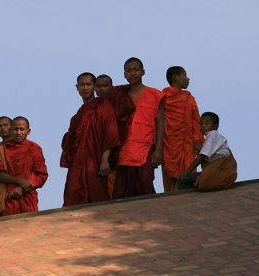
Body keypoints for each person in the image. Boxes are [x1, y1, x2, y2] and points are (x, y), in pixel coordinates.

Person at [60, 73, 120, 206]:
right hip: (78, 163)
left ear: (94, 87)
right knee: (73, 192)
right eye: (82, 85)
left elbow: (111, 133)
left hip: (96, 160)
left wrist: (105, 159)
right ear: (77, 87)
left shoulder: (103, 105)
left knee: (98, 195)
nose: (85, 88)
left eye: (88, 84)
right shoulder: (78, 115)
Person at [110, 57, 165, 199]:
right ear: (124, 74)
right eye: (129, 71)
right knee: (122, 190)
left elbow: (161, 122)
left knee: (145, 181)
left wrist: (159, 150)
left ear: (143, 72)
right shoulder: (121, 96)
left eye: (136, 70)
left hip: (146, 146)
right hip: (125, 148)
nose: (132, 73)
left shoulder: (155, 94)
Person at [0, 116, 48, 216]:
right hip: (7, 198)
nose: (19, 132)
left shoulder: (34, 148)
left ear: (28, 131)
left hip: (28, 197)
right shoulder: (1, 150)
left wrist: (21, 188)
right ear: (11, 130)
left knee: (29, 227)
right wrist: (19, 181)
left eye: (22, 129)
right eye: (15, 129)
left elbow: (41, 175)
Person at [162, 66, 204, 192]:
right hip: (168, 144)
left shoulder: (188, 98)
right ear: (175, 77)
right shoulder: (162, 97)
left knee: (187, 175)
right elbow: (157, 122)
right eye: (184, 75)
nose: (188, 78)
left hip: (186, 144)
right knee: (170, 177)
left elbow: (196, 120)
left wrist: (198, 140)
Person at [177, 112, 237, 190]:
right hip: (221, 175)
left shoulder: (213, 134)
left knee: (182, 179)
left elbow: (202, 156)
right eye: (201, 124)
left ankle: (188, 201)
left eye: (207, 123)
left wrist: (188, 171)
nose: (203, 126)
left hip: (219, 173)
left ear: (216, 126)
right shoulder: (211, 139)